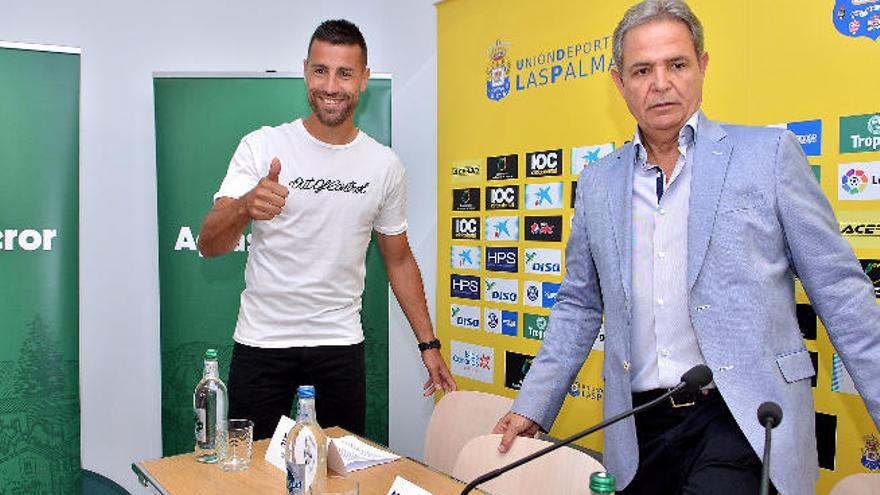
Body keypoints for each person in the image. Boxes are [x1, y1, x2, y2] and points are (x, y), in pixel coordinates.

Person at [492, 1, 880, 493]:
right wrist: (533, 404)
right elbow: (578, 306)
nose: (660, 82)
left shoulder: (768, 156)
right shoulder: (597, 182)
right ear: (619, 83)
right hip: (638, 425)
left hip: (742, 416)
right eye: (642, 69)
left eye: (676, 64)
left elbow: (843, 297)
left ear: (702, 66)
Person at [197, 19, 456, 440]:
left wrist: (429, 345)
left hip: (339, 347)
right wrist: (246, 206)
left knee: (337, 474)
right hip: (262, 344)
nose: (331, 85)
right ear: (305, 71)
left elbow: (400, 258)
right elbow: (209, 244)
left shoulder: (384, 165)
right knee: (251, 476)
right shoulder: (262, 146)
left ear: (364, 79)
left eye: (344, 73)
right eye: (320, 70)